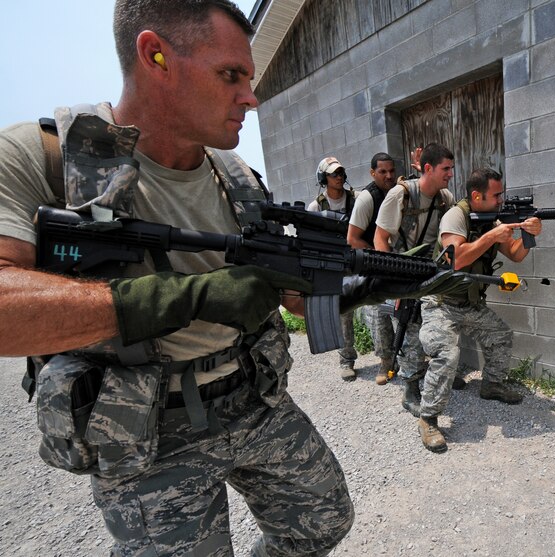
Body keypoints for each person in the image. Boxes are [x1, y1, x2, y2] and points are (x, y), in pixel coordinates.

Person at [0, 1, 468, 553]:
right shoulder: (48, 156)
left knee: (323, 521)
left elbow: (288, 298)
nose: (251, 96)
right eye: (231, 75)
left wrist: (357, 288)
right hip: (142, 427)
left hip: (251, 397)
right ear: (154, 55)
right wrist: (191, 297)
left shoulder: (239, 177)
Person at [416, 168, 543, 453]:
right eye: (496, 195)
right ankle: (428, 418)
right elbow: (456, 260)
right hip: (441, 304)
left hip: (470, 304)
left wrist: (530, 234)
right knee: (448, 355)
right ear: (476, 196)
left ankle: (492, 386)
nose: (501, 200)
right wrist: (491, 236)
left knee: (501, 336)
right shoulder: (455, 217)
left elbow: (516, 254)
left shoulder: (493, 220)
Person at [374, 143, 456, 416]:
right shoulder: (401, 194)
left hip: (432, 273)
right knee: (409, 329)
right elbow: (380, 239)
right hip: (403, 271)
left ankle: (441, 373)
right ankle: (410, 387)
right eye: (446, 169)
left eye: (451, 168)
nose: (450, 174)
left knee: (440, 324)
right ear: (429, 168)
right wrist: (393, 278)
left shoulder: (446, 197)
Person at [346, 152, 397, 385]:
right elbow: (353, 238)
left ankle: (407, 360)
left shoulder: (398, 192)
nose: (388, 176)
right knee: (379, 314)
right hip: (376, 263)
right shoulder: (367, 198)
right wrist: (378, 257)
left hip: (399, 262)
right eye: (382, 172)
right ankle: (385, 361)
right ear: (372, 173)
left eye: (391, 171)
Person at [309, 156, 359, 380]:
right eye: (333, 174)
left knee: (376, 306)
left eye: (340, 172)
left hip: (359, 258)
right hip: (335, 263)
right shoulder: (317, 206)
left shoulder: (356, 199)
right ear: (323, 178)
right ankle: (346, 359)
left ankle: (387, 358)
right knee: (344, 312)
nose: (339, 177)